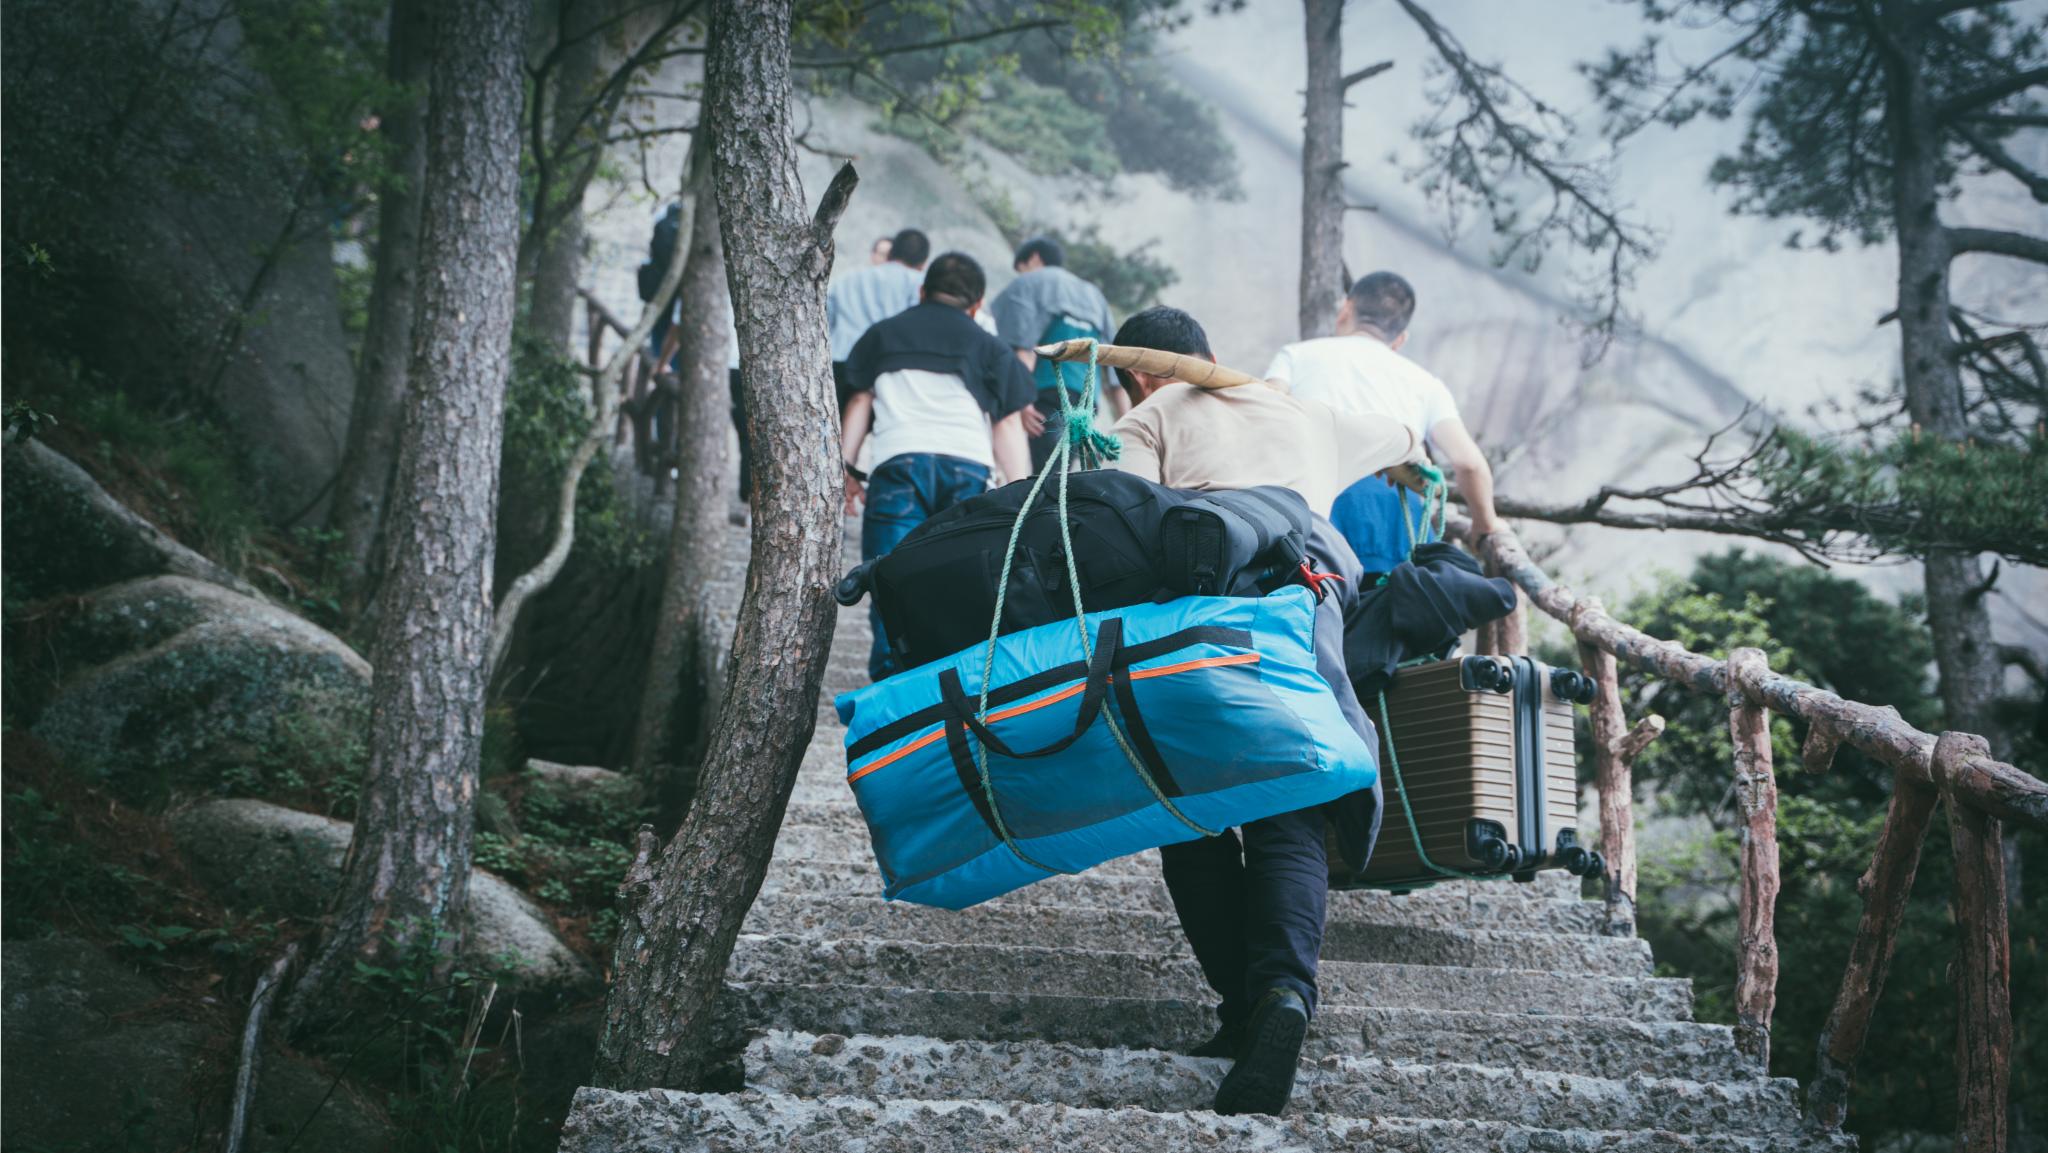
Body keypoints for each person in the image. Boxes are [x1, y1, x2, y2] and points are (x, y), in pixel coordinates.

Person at [1108, 305, 1418, 1117]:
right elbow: (1404, 435)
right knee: (1290, 812)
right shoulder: (1303, 409)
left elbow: (1123, 516)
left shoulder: (1149, 412)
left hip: (1194, 622)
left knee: (1191, 816)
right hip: (1302, 611)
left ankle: (1241, 1008)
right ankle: (1281, 993)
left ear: (1139, 372)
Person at [841, 253, 1036, 681]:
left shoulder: (883, 334)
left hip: (899, 464)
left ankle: (892, 687)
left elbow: (859, 401)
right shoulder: (988, 346)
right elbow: (1005, 423)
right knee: (961, 584)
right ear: (976, 304)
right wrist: (1019, 490)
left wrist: (848, 471)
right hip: (967, 466)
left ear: (921, 291)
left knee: (890, 580)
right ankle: (952, 688)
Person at [1265, 271, 1501, 574]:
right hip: (1398, 523)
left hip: (1318, 508)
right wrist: (1485, 524)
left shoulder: (1297, 355)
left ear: (1345, 310)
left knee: (1319, 605)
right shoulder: (1426, 384)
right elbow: (1470, 464)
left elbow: (1267, 411)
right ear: (1400, 339)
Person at [987, 236, 1124, 471]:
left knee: (1041, 478)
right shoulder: (1094, 295)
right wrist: (1125, 423)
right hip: (1085, 402)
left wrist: (1023, 402)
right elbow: (1114, 365)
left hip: (1044, 394)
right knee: (1061, 474)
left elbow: (1023, 347)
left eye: (1021, 269)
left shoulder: (1030, 283)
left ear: (1034, 258)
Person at [828, 228, 931, 416]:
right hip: (881, 370)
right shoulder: (922, 285)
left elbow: (826, 319)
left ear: (891, 253)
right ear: (923, 263)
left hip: (839, 362)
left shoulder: (848, 279)